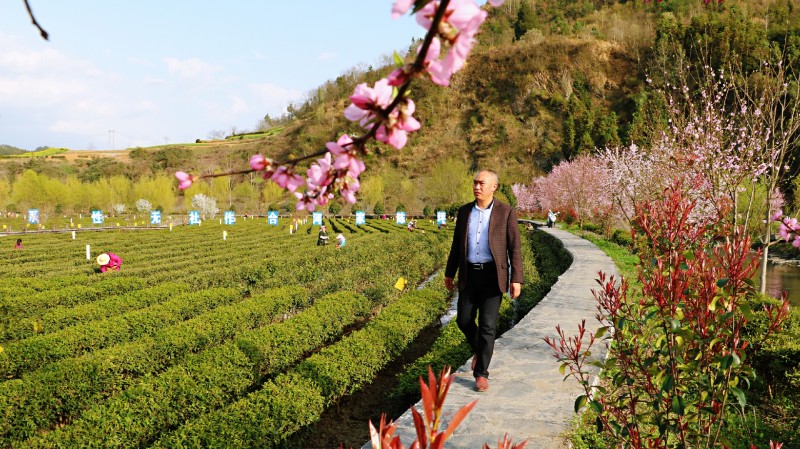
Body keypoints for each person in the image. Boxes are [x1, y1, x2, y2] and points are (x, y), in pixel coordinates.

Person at [444, 170, 523, 393]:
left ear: (493, 187)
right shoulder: (464, 212)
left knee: (488, 325)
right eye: (475, 183)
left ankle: (481, 373)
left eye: (482, 183)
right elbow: (456, 245)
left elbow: (515, 247)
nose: (477, 187)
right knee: (464, 320)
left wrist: (516, 278)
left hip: (492, 276)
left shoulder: (505, 212)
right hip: (469, 274)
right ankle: (480, 350)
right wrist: (450, 273)